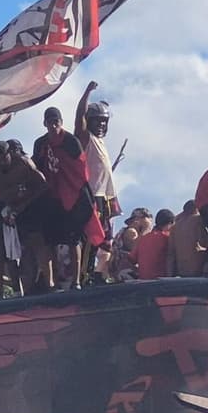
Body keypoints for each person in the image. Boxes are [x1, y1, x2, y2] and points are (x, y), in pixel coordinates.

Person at [33, 106, 105, 291]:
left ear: (61, 122)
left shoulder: (71, 141)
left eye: (56, 122)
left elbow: (80, 170)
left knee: (73, 239)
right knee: (50, 240)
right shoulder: (40, 144)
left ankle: (76, 281)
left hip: (72, 195)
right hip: (52, 197)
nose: (53, 126)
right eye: (50, 122)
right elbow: (37, 168)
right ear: (44, 123)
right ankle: (52, 282)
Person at [0, 140, 51, 295]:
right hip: (1, 205)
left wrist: (23, 204)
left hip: (27, 203)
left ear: (9, 154)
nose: (0, 163)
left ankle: (48, 282)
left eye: (3, 159)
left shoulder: (23, 163)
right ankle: (0, 291)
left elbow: (43, 184)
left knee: (34, 242)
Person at [74, 81, 122, 283]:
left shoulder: (100, 142)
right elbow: (79, 120)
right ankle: (83, 276)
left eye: (104, 121)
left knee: (102, 239)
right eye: (97, 121)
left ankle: (95, 274)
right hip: (91, 195)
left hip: (104, 197)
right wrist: (87, 93)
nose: (101, 124)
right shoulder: (86, 138)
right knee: (89, 238)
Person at [128, 209, 174, 280]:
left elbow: (131, 259)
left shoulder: (142, 239)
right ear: (170, 223)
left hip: (143, 282)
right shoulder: (168, 238)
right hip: (162, 282)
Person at [167, 200, 208, 277]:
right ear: (197, 209)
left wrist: (169, 276)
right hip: (198, 271)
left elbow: (171, 254)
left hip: (182, 271)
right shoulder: (198, 220)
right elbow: (205, 243)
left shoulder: (174, 227)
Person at [110, 208, 153, 281]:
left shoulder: (124, 231)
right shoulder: (131, 231)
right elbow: (136, 247)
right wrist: (146, 229)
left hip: (121, 272)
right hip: (126, 272)